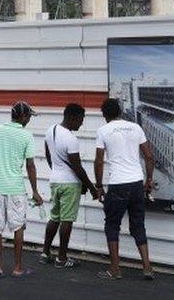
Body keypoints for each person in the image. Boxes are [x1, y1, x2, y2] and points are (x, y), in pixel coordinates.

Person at [94, 98, 155, 280]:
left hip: (118, 185)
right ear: (120, 111)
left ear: (105, 115)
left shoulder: (103, 130)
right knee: (138, 226)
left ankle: (115, 269)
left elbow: (98, 161)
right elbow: (149, 157)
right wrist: (149, 180)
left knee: (112, 225)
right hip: (136, 183)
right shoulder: (135, 127)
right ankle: (147, 267)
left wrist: (98, 186)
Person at [0, 101, 43, 278]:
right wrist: (35, 191)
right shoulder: (26, 136)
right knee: (18, 227)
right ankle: (18, 268)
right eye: (29, 117)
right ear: (23, 116)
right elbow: (30, 166)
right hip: (16, 189)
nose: (29, 120)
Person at [40, 103, 100, 268]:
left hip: (55, 181)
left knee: (55, 217)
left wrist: (56, 170)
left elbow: (47, 154)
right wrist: (93, 188)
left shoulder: (50, 130)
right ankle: (62, 258)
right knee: (67, 220)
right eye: (80, 120)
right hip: (69, 184)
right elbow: (77, 167)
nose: (81, 123)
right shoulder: (71, 139)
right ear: (72, 117)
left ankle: (45, 253)